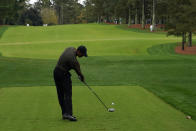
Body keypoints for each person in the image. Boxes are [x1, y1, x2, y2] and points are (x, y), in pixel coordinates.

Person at [53, 45, 87, 121]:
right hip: (63, 74)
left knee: (60, 94)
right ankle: (69, 114)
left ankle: (64, 114)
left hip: (56, 72)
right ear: (78, 52)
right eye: (82, 54)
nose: (82, 56)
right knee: (68, 94)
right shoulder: (74, 61)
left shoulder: (71, 48)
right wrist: (82, 78)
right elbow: (79, 72)